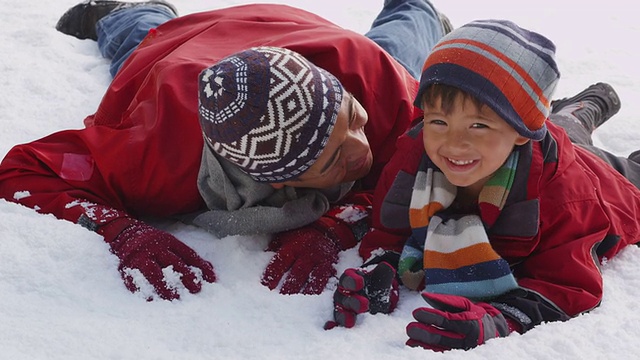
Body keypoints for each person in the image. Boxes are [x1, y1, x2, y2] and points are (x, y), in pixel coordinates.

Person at [0, 0, 451, 300]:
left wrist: (335, 225)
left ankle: (418, 7)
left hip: (309, 41)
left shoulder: (376, 91)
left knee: (398, 54)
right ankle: (131, 7)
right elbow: (24, 170)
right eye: (333, 160)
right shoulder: (148, 159)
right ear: (278, 180)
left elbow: (430, 176)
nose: (363, 147)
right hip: (180, 57)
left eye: (352, 120)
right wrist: (120, 228)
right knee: (146, 40)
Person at [327, 19, 640, 352]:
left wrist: (502, 319)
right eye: (439, 121)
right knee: (565, 129)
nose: (453, 143)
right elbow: (391, 225)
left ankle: (580, 111)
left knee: (605, 156)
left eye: (478, 125)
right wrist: (384, 262)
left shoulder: (565, 198)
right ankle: (581, 109)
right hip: (541, 141)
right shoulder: (415, 154)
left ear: (522, 130)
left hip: (609, 182)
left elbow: (567, 283)